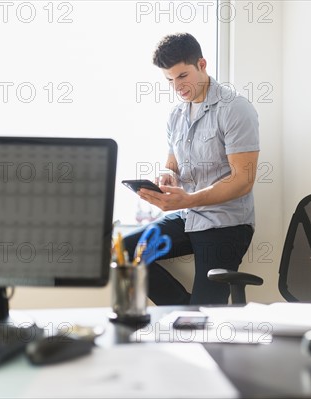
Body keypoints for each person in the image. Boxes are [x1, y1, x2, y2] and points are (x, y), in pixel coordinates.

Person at [123, 33, 260, 305]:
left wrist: (189, 199)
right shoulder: (176, 115)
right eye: (170, 80)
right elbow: (173, 164)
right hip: (188, 217)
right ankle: (187, 310)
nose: (177, 86)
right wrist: (167, 176)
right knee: (127, 253)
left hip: (226, 224)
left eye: (182, 76)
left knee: (205, 313)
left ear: (202, 64)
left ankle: (195, 313)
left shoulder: (235, 109)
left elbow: (243, 181)